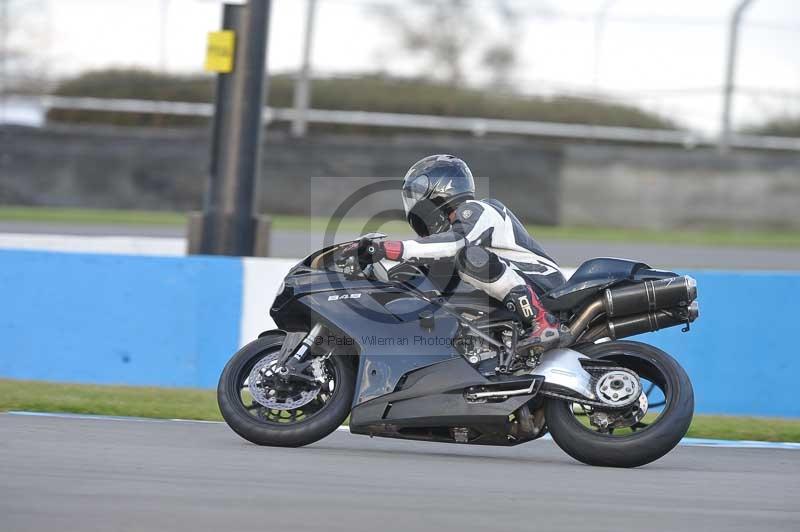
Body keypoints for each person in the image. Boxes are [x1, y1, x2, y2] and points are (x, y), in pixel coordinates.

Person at [359, 154, 567, 352]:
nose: (413, 205)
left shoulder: (478, 209)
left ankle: (541, 321)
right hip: (511, 289)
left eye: (416, 195)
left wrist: (388, 248)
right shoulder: (454, 231)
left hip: (542, 285)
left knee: (468, 257)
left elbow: (456, 243)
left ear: (440, 188)